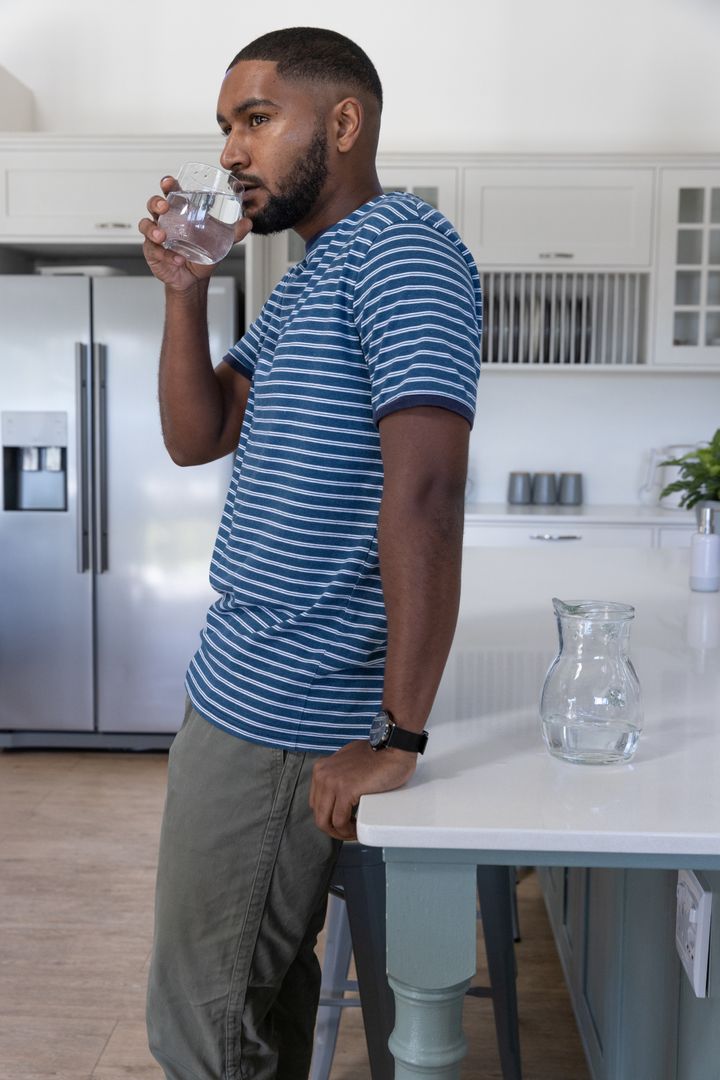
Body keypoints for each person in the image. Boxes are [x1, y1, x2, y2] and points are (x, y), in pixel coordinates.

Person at [139, 26, 482, 1080]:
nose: (232, 152)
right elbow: (198, 436)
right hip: (236, 689)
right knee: (263, 1013)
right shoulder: (310, 278)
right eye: (225, 128)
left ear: (343, 123)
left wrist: (399, 734)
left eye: (256, 118)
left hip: (284, 719)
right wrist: (185, 290)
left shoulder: (404, 250)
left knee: (199, 1034)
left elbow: (426, 493)